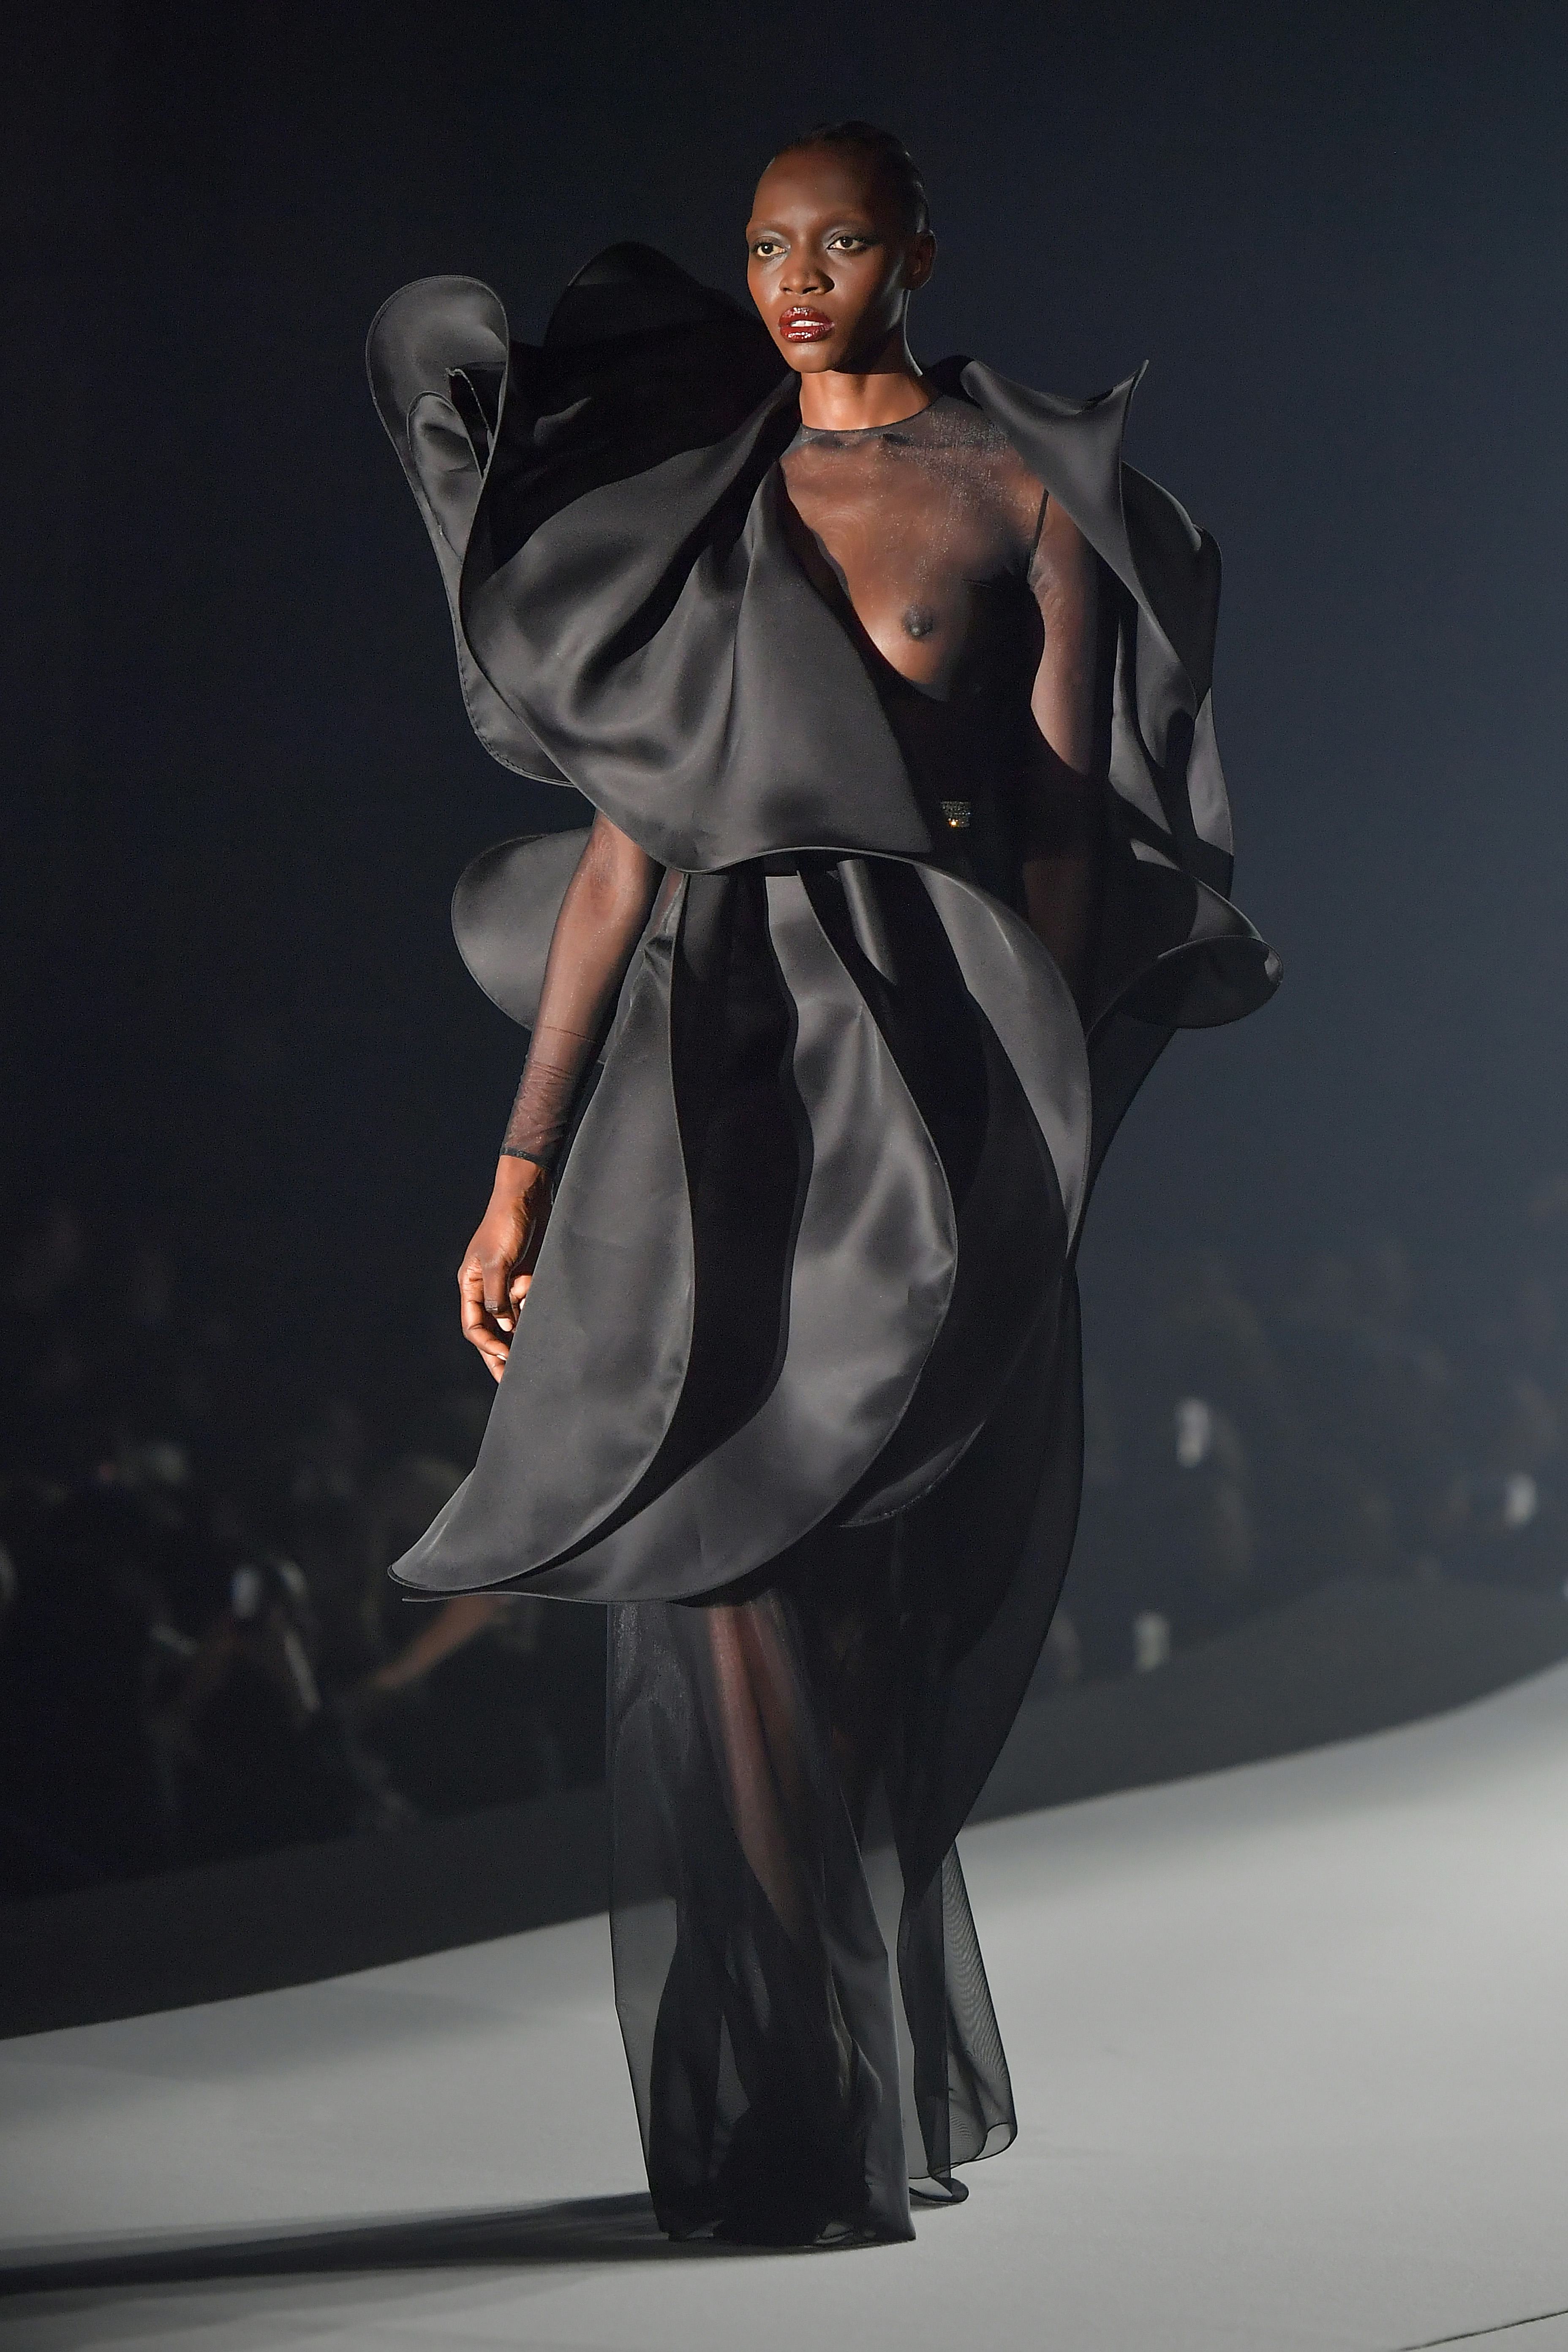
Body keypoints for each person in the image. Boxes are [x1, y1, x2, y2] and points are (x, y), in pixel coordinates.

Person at [368, 120, 1277, 2246]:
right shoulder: (701, 506)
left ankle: (839, 2076)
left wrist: (1021, 1144)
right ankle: (789, 2114)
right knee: (730, 1583)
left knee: (873, 1570)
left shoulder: (1020, 499)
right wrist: (518, 1167)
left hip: (928, 1073)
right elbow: (625, 854)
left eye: (839, 240)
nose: (795, 278)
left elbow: (1057, 853)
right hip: (707, 1070)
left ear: (915, 258)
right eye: (767, 246)